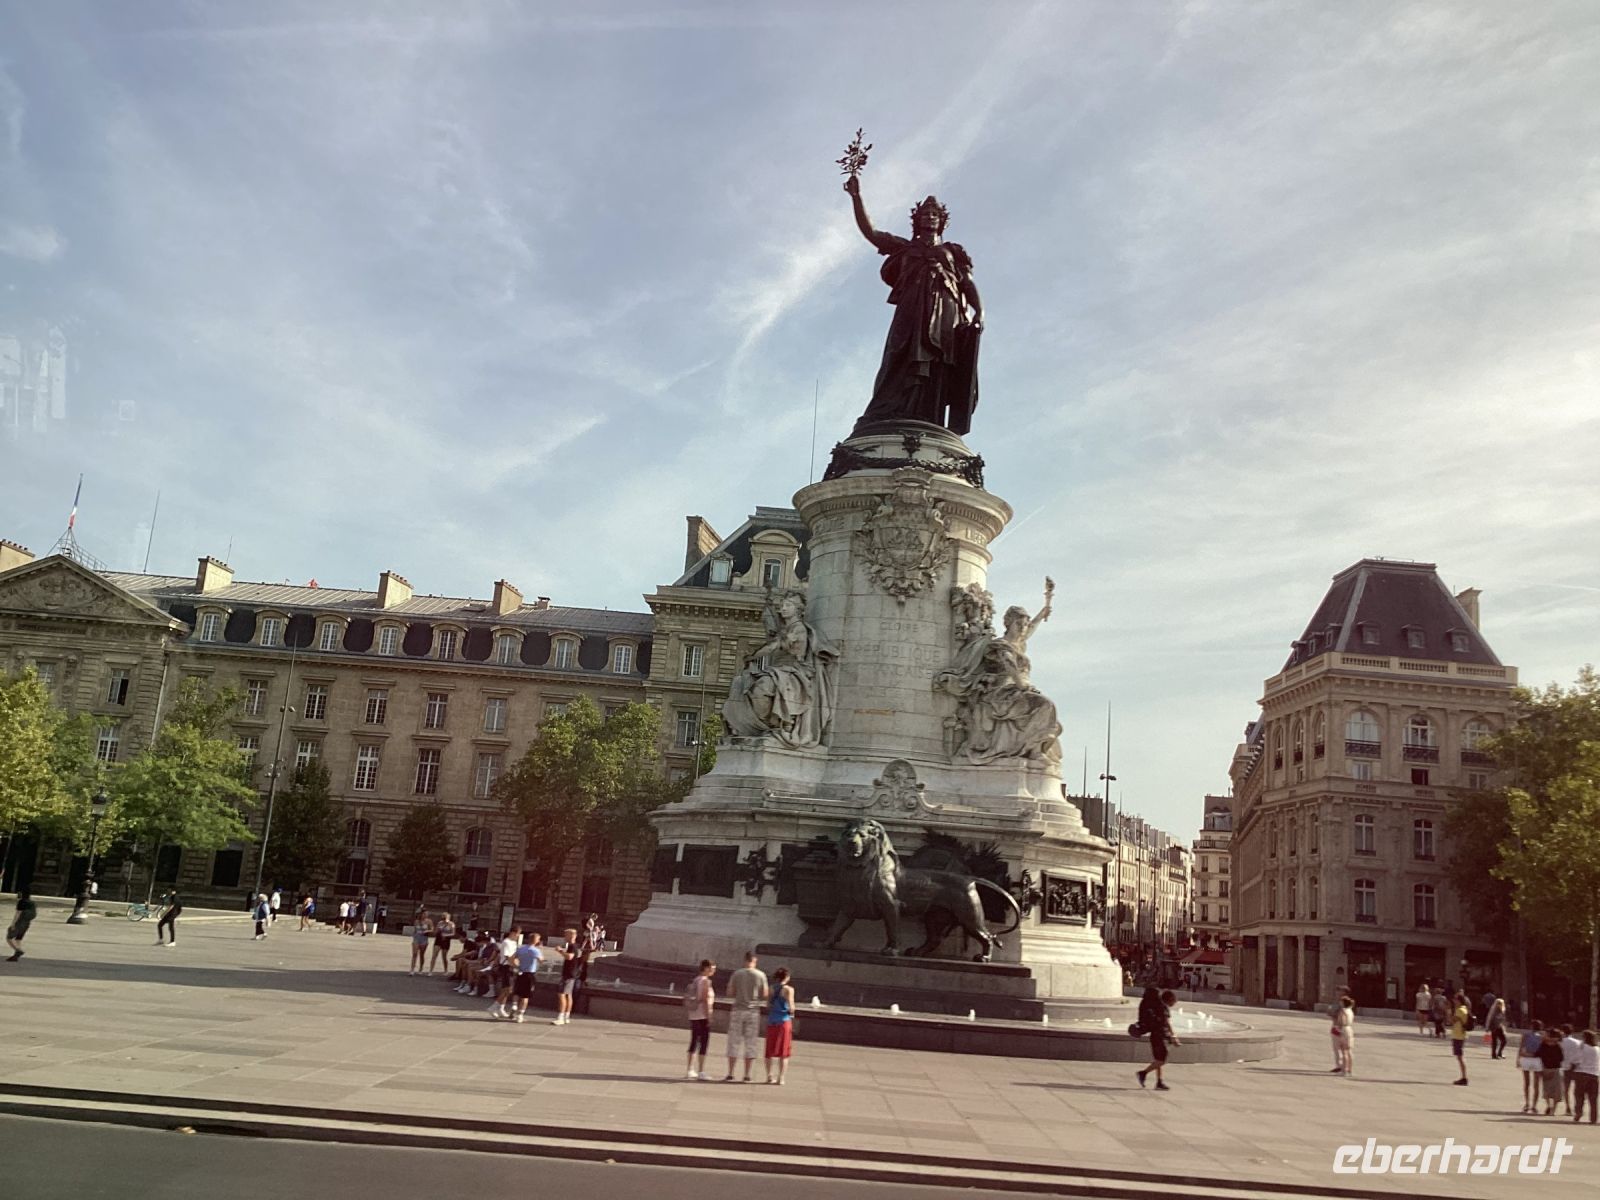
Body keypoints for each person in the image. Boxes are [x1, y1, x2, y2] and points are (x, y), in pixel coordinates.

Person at [841, 171, 983, 433]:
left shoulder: (952, 252)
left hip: (947, 310)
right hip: (911, 309)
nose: (930, 217)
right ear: (917, 220)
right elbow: (870, 232)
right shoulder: (904, 248)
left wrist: (979, 311)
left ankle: (930, 417)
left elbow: (967, 283)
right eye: (925, 214)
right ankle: (888, 409)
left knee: (939, 362)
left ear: (942, 221)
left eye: (935, 214)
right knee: (900, 353)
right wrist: (856, 196)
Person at [723, 951, 769, 1083]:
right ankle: (747, 1074)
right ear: (755, 961)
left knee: (734, 1041)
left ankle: (730, 1073)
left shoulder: (737, 974)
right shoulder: (761, 975)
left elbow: (730, 992)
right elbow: (765, 994)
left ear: (745, 960)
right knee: (751, 1043)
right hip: (753, 1011)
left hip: (738, 1009)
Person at [1136, 987, 1180, 1091]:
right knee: (1162, 1060)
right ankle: (1143, 1073)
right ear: (1169, 1000)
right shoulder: (1163, 1008)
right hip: (1159, 1037)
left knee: (1158, 1059)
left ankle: (1159, 1082)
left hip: (1156, 1036)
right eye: (1173, 1001)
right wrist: (1173, 1037)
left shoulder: (1158, 1006)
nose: (1174, 1003)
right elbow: (1167, 1023)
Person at [684, 959, 716, 1080]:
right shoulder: (706, 981)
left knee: (694, 1041)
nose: (714, 970)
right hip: (702, 1015)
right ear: (706, 968)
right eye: (713, 968)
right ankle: (701, 1070)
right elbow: (705, 999)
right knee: (703, 1042)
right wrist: (709, 1016)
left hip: (694, 1014)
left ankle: (690, 1069)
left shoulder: (696, 979)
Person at [764, 967, 795, 1085]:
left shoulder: (771, 988)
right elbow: (791, 1007)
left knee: (769, 1050)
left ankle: (768, 1076)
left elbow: (767, 1005)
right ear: (786, 977)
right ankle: (781, 1078)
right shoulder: (788, 990)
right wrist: (791, 1012)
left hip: (772, 1021)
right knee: (784, 1051)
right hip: (784, 1022)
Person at [489, 926, 521, 1020]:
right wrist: (517, 967)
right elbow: (507, 957)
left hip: (511, 966)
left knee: (506, 989)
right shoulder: (506, 942)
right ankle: (493, 1007)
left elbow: (515, 956)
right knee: (508, 989)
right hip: (506, 967)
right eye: (518, 933)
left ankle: (501, 1008)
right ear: (513, 933)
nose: (518, 935)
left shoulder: (514, 943)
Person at [510, 933, 543, 1024]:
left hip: (520, 972)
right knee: (525, 995)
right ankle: (520, 1015)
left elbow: (512, 958)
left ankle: (514, 1005)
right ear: (536, 940)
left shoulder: (521, 949)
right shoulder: (536, 950)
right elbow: (541, 960)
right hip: (530, 973)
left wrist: (516, 965)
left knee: (517, 991)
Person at [552, 927, 581, 1025]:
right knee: (568, 995)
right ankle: (566, 1016)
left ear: (571, 936)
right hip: (572, 974)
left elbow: (569, 957)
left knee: (561, 994)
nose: (564, 937)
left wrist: (560, 951)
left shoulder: (572, 946)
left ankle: (560, 1016)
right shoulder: (575, 946)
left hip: (568, 974)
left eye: (566, 935)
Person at [1517, 1020, 1546, 1113]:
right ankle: (1534, 1105)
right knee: (1536, 1084)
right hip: (1537, 1059)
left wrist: (1518, 1059)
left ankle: (1527, 1103)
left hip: (1526, 1058)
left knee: (1526, 1083)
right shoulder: (1542, 1037)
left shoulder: (1525, 1035)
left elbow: (1521, 1047)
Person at [1537, 1027, 1566, 1114]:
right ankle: (1553, 1109)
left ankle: (1549, 1105)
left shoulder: (1543, 1044)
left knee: (1546, 1090)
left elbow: (1539, 1055)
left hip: (1546, 1068)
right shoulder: (1558, 1046)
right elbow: (1561, 1058)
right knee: (1557, 1091)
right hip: (1556, 1069)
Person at [1573, 1030, 1599, 1125]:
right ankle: (1593, 1118)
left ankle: (1578, 1113)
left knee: (1579, 1096)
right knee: (1593, 1098)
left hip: (1582, 1073)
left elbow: (1577, 1059)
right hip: (1594, 1074)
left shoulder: (1583, 1047)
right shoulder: (1597, 1048)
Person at [5, 891, 38, 961]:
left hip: (20, 922)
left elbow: (18, 914)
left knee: (9, 937)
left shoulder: (21, 902)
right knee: (18, 938)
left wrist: (13, 924)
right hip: (27, 923)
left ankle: (18, 950)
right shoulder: (32, 903)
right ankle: (16, 955)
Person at [1448, 991, 1470, 1085]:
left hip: (1458, 1035)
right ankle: (1464, 1077)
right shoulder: (1465, 1009)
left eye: (1455, 999)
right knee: (1459, 1057)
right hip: (1461, 1034)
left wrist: (1448, 1012)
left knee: (1460, 1057)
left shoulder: (1459, 1010)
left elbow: (1451, 1021)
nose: (1454, 1001)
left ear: (1459, 1001)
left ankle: (1464, 1077)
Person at [1560, 1025, 1582, 1116]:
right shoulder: (1578, 1042)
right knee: (1578, 1090)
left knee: (1566, 1089)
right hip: (1577, 1067)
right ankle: (1578, 1108)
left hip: (1565, 1067)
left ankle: (1568, 1108)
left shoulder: (1560, 1042)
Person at [1331, 996, 1355, 1076]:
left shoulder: (1342, 1011)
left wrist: (1337, 1029)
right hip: (1349, 1029)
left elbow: (1341, 1021)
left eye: (1341, 1001)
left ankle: (1344, 1070)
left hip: (1343, 1029)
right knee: (1349, 1050)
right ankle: (1350, 1069)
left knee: (1343, 1050)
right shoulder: (1350, 1010)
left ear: (1343, 1003)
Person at [409, 910, 433, 974]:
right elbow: (415, 930)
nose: (425, 915)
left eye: (426, 914)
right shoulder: (416, 921)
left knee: (422, 954)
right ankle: (412, 969)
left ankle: (421, 968)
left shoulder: (429, 921)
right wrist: (413, 937)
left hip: (424, 939)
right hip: (416, 938)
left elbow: (432, 929)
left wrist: (427, 931)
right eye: (424, 914)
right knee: (414, 954)